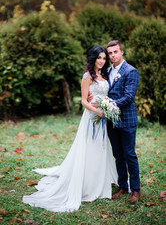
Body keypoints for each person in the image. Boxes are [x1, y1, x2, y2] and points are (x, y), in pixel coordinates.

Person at [22, 45, 118, 213]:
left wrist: (108, 107)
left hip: (103, 119)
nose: (102, 61)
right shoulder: (87, 77)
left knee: (101, 149)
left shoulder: (104, 75)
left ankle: (99, 181)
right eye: (99, 58)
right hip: (91, 118)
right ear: (93, 58)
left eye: (104, 58)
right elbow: (84, 101)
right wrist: (97, 111)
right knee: (89, 149)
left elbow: (104, 95)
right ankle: (87, 184)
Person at [106, 40, 140, 203]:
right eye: (110, 53)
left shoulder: (131, 71)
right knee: (117, 155)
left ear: (122, 52)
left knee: (129, 155)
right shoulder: (107, 71)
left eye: (115, 52)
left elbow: (128, 97)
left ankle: (135, 189)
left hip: (127, 120)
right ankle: (122, 186)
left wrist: (107, 105)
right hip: (111, 121)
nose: (112, 55)